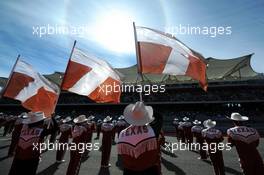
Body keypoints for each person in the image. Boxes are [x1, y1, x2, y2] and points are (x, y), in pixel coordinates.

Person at [117, 101, 162, 175]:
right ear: (146, 115)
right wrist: (145, 108)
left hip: (129, 170)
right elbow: (159, 117)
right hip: (149, 169)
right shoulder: (153, 130)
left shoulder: (122, 133)